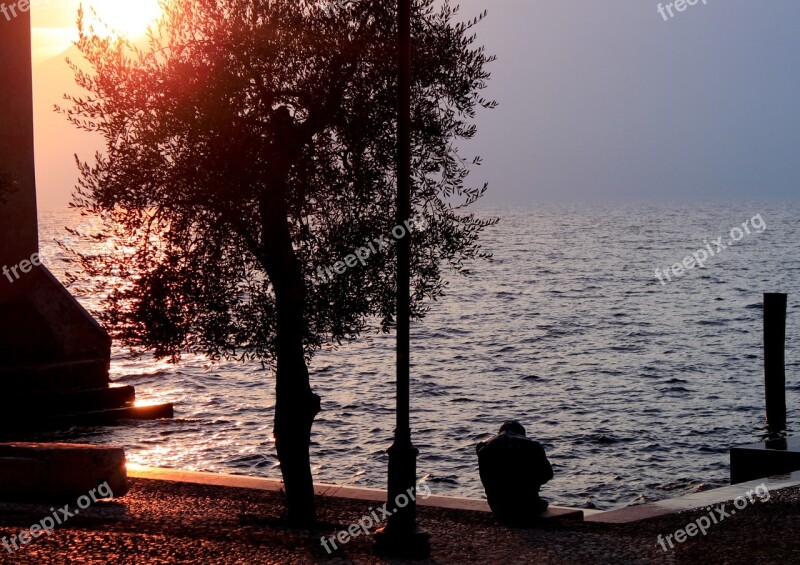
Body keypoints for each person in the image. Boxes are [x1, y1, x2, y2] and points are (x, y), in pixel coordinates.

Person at [476, 420, 553, 526]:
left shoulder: (483, 446)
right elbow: (547, 474)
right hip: (527, 505)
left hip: (498, 507)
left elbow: (485, 478)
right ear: (522, 433)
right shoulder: (533, 445)